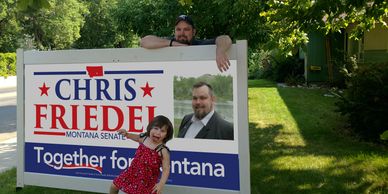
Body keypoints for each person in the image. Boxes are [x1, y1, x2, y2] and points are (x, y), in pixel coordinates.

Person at [140, 14, 232, 72]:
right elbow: (144, 41)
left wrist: (220, 51)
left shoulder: (200, 44)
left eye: (186, 29)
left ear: (193, 32)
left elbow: (225, 38)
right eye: (178, 29)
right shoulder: (167, 42)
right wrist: (172, 43)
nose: (182, 33)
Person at [109, 115, 174, 194]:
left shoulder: (162, 150)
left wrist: (161, 184)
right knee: (114, 185)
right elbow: (136, 137)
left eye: (162, 131)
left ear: (167, 135)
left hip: (146, 180)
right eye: (156, 128)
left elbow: (166, 170)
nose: (158, 132)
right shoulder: (144, 138)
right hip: (132, 172)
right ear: (150, 128)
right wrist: (127, 134)